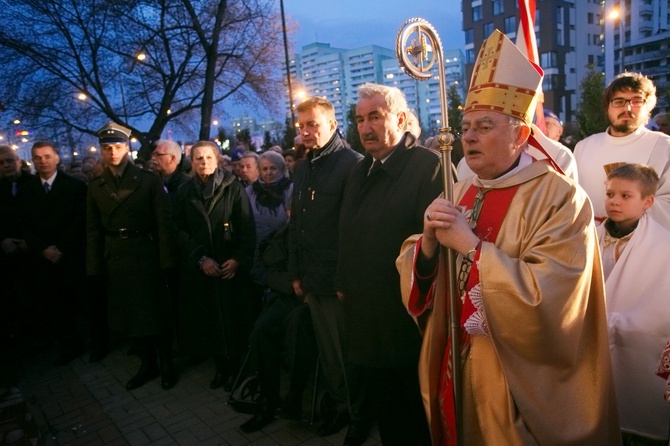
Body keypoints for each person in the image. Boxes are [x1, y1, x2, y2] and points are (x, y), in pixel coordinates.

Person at [397, 30, 620, 445]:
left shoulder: (560, 197)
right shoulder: (462, 189)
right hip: (457, 357)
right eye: (466, 126)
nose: (468, 137)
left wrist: (472, 248)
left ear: (521, 135)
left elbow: (557, 296)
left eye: (484, 126)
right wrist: (427, 245)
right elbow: (430, 274)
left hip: (513, 375)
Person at [336, 83, 440, 446]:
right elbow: (347, 232)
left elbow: (436, 249)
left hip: (405, 322)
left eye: (375, 117)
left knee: (417, 415)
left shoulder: (428, 166)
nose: (365, 128)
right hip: (365, 316)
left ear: (399, 118)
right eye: (360, 119)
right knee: (388, 415)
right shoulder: (359, 170)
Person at [288, 96, 365, 445]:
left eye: (312, 125)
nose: (305, 132)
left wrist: (342, 279)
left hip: (337, 282)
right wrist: (296, 273)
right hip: (312, 279)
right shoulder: (304, 166)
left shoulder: (352, 164)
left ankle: (359, 415)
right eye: (301, 125)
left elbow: (352, 230)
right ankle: (340, 405)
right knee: (329, 354)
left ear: (332, 125)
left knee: (348, 353)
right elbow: (297, 225)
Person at [87, 121, 177, 391]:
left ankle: (167, 365)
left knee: (156, 315)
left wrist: (166, 261)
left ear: (127, 148)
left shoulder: (148, 180)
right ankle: (147, 364)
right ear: (101, 151)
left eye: (117, 146)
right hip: (118, 257)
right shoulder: (96, 186)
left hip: (146, 254)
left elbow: (164, 224)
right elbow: (93, 230)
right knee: (132, 317)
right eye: (107, 148)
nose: (113, 152)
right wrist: (94, 267)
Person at [172, 140, 256, 391]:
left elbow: (247, 227)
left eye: (208, 158)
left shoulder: (233, 187)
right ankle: (222, 367)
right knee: (209, 320)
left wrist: (239, 259)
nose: (204, 163)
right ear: (191, 162)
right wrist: (200, 258)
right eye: (198, 158)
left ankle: (239, 367)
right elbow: (177, 230)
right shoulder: (184, 192)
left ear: (218, 160)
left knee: (235, 319)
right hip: (203, 269)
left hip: (230, 267)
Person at [596, 164, 670, 444]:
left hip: (638, 348)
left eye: (626, 196)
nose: (614, 201)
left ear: (647, 202)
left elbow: (661, 306)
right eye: (610, 193)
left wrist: (616, 321)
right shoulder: (589, 237)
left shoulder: (664, 247)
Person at [239, 151, 296, 432]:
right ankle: (268, 399)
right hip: (270, 269)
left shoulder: (292, 192)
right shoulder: (250, 194)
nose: (269, 173)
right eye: (265, 169)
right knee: (261, 330)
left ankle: (294, 398)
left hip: (297, 280)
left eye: (275, 168)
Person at [574, 72, 670, 230]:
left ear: (649, 107)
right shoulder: (585, 146)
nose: (628, 108)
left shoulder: (664, 146)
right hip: (590, 238)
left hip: (643, 242)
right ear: (608, 107)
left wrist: (621, 222)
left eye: (637, 101)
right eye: (619, 101)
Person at [23, 141, 87, 365]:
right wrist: (43, 249)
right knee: (54, 306)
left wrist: (60, 248)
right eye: (38, 158)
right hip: (43, 258)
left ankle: (85, 342)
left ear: (57, 158)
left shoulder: (74, 187)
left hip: (70, 257)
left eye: (47, 156)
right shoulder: (27, 189)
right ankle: (66, 344)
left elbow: (79, 221)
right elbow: (25, 224)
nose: (43, 161)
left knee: (78, 303)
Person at [0, 145, 34, 348]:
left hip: (34, 251)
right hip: (7, 254)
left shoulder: (34, 184)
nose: (6, 166)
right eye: (1, 163)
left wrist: (30, 240)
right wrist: (2, 240)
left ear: (18, 162)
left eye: (9, 161)